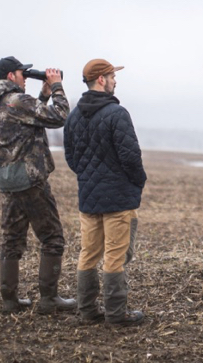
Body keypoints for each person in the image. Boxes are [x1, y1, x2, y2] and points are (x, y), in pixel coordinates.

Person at [0, 56, 77, 314]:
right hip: (30, 180)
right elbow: (59, 117)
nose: (25, 77)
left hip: (8, 181)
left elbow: (30, 121)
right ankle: (49, 299)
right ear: (11, 76)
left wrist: (42, 96)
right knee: (53, 237)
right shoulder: (17, 100)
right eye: (22, 73)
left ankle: (9, 300)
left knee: (12, 239)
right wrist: (56, 86)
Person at [63, 58, 147, 326]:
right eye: (112, 76)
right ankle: (115, 315)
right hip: (118, 198)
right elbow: (131, 157)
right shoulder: (117, 114)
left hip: (88, 197)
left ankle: (87, 312)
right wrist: (137, 183)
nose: (115, 80)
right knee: (115, 256)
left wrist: (89, 178)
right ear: (101, 79)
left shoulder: (74, 115)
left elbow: (71, 157)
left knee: (88, 253)